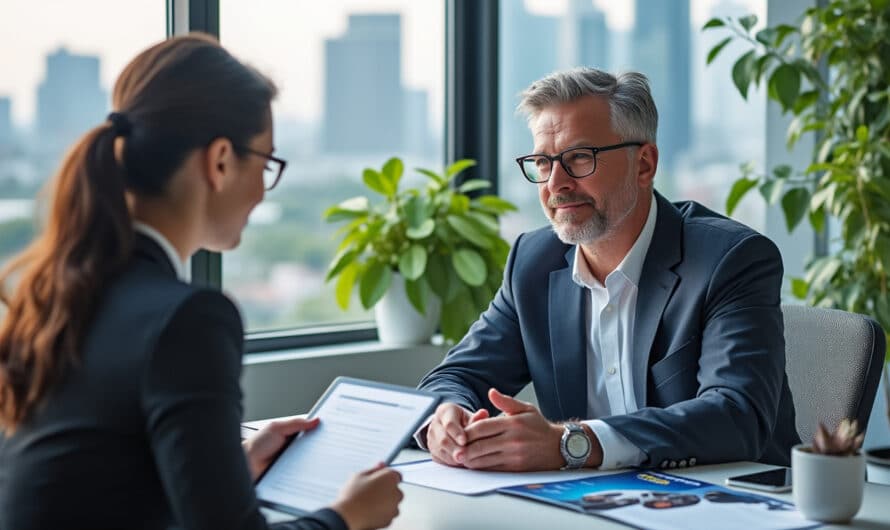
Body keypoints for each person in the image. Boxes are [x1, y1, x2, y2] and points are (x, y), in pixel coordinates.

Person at [0, 34, 401, 530]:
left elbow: (98, 482)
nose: (262, 189)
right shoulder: (186, 318)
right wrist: (348, 516)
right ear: (219, 162)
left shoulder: (58, 295)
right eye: (267, 162)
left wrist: (232, 469)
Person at [417, 67, 800, 473]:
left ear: (644, 164)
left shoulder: (730, 259)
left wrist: (572, 444)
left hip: (730, 504)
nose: (556, 184)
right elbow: (457, 376)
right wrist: (447, 419)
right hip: (594, 504)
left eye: (580, 157)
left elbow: (735, 416)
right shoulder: (533, 262)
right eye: (542, 163)